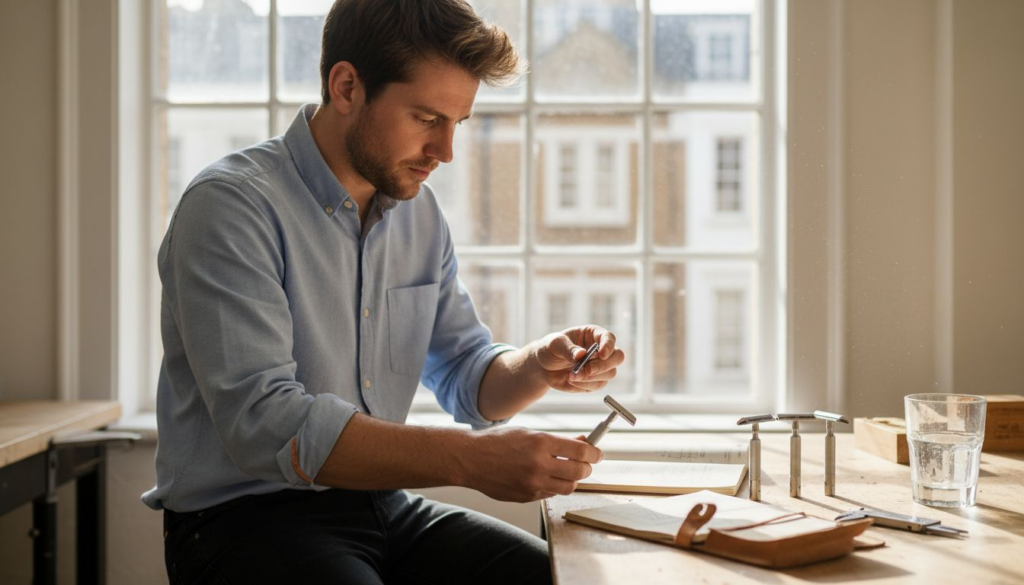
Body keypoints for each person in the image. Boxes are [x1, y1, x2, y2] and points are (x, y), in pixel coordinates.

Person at [144, 0, 625, 583]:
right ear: (346, 86)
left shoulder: (417, 214)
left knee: (562, 578)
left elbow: (466, 377)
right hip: (242, 521)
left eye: (458, 124)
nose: (446, 151)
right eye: (427, 119)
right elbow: (267, 424)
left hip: (380, 504)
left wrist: (538, 364)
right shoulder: (230, 207)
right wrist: (470, 462)